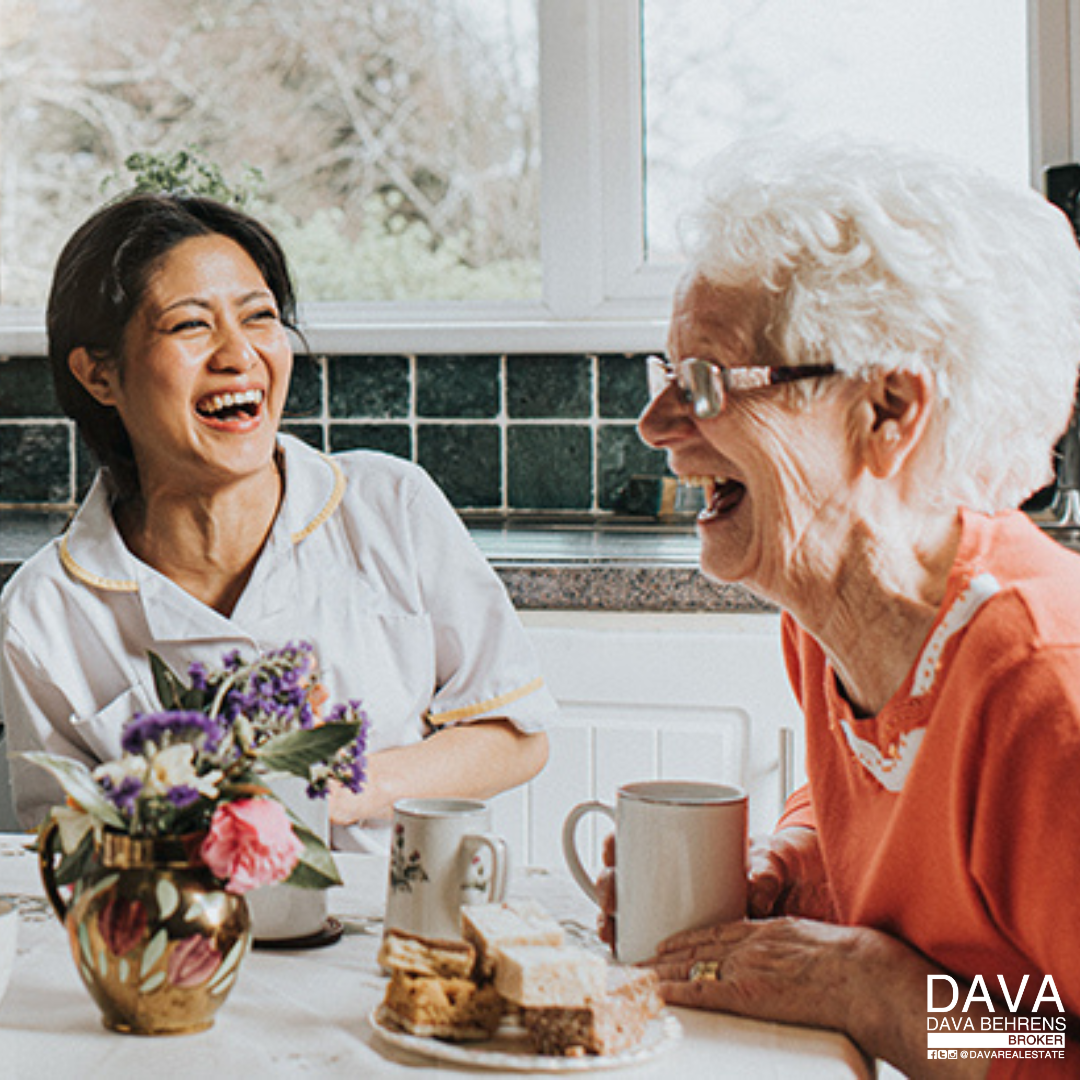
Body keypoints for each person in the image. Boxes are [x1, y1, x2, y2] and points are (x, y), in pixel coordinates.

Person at [601, 140, 1080, 1078]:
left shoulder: (1046, 694)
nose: (656, 425)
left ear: (890, 409)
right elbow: (876, 797)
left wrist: (878, 994)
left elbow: (1061, 1035)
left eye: (703, 383)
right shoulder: (836, 618)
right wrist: (783, 876)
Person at [0, 192, 553, 852]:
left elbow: (517, 736)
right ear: (100, 374)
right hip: (185, 940)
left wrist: (349, 785)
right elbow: (62, 840)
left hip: (387, 928)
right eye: (189, 326)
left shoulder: (389, 506)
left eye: (260, 317)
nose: (241, 354)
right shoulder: (43, 612)